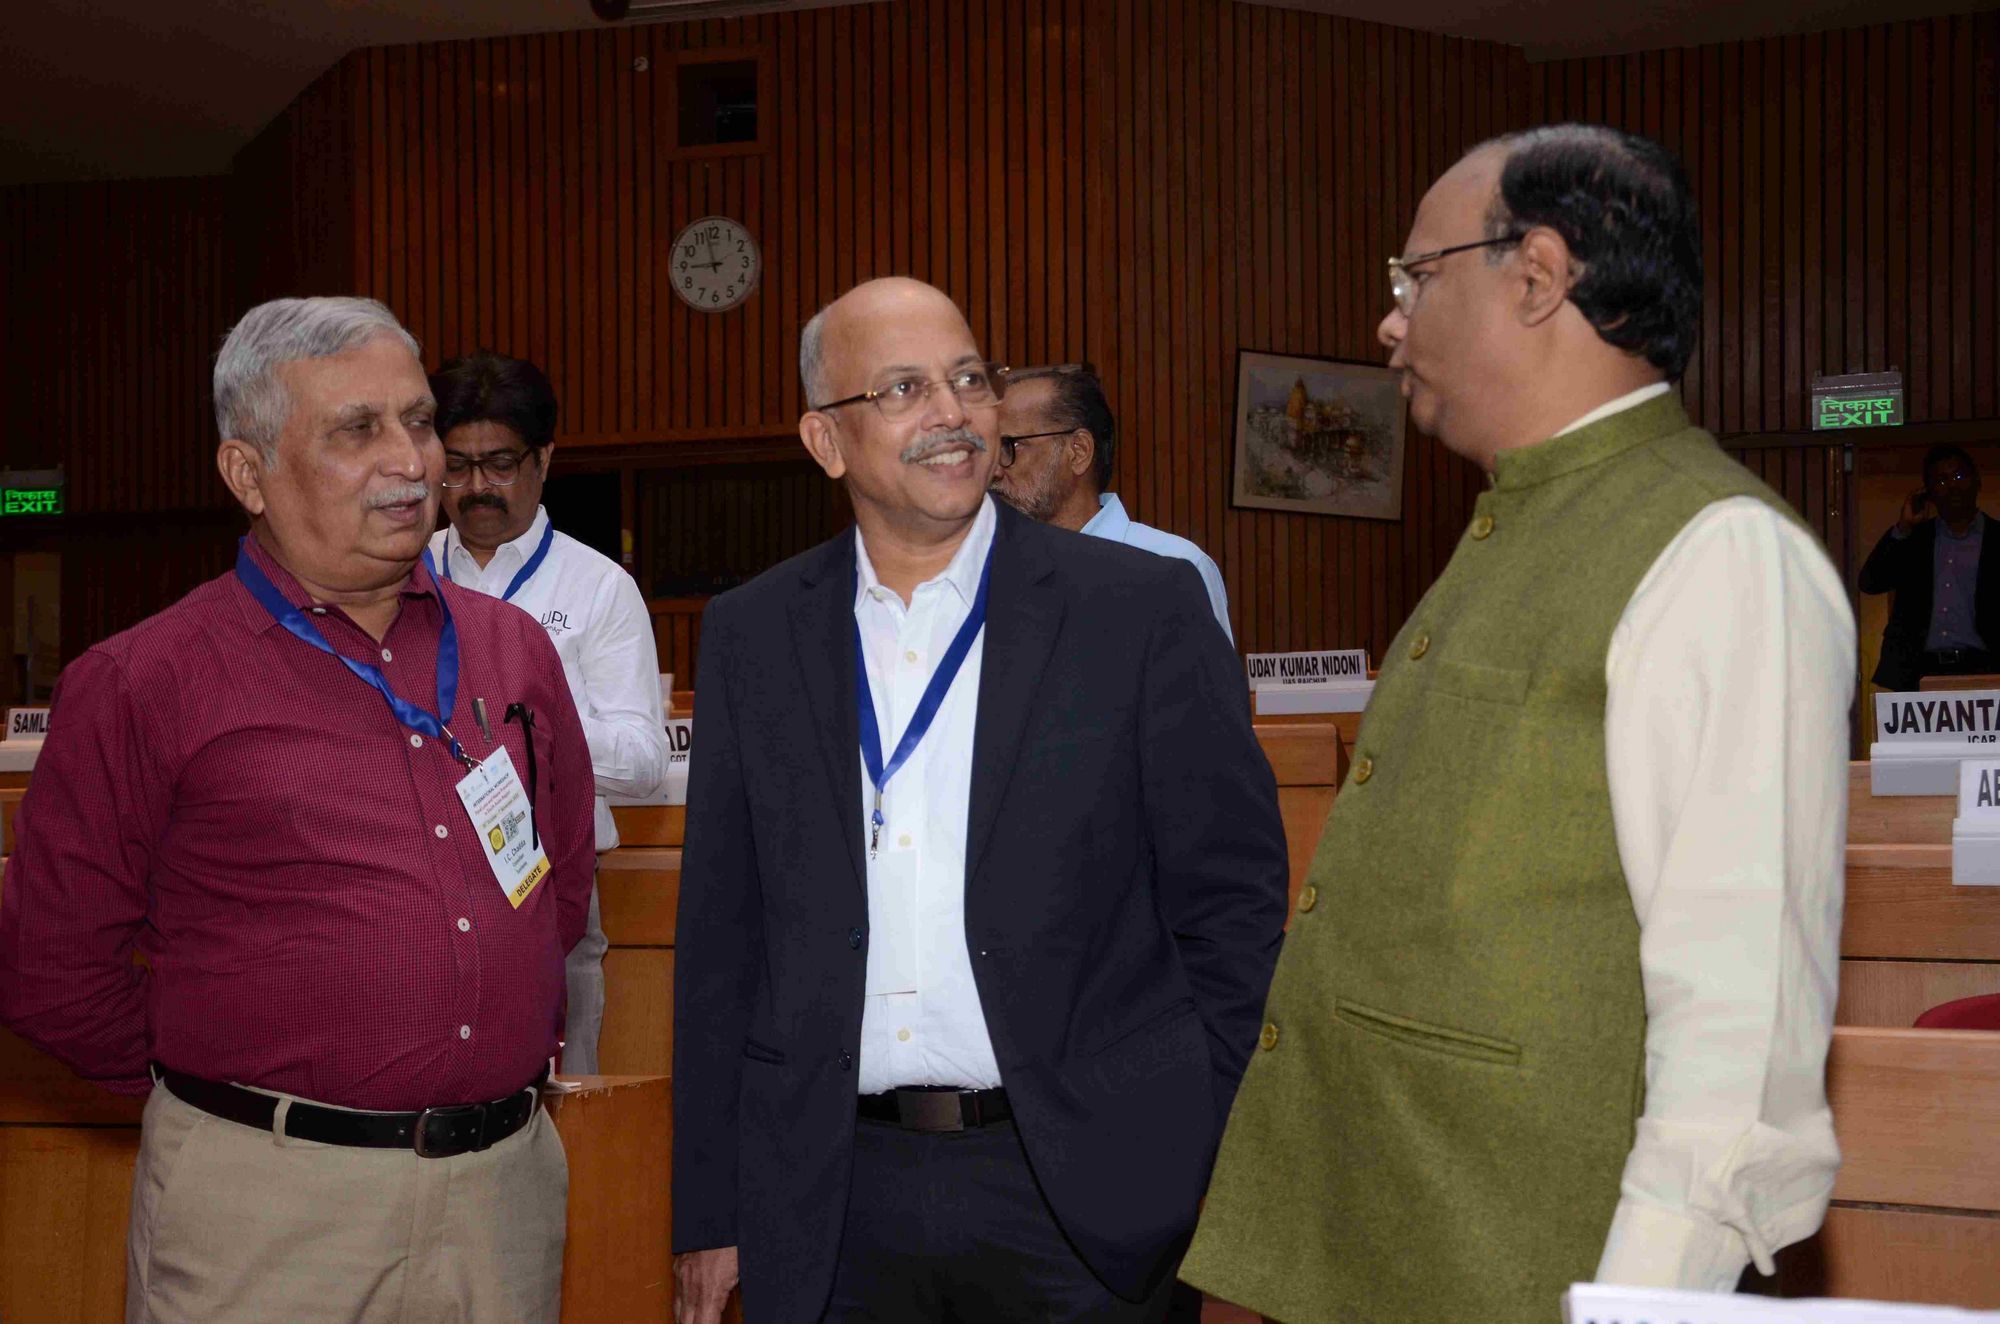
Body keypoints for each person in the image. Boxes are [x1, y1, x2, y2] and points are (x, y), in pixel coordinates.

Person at [1182, 125, 1854, 1323]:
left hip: (1523, 1264)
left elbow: (1738, 1049)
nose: (1388, 322)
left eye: (1414, 277)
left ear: (1535, 274)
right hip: (1388, 1241)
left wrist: (1638, 1307)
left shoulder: (1721, 551)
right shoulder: (1519, 519)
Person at [670, 277, 1289, 1324]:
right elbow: (723, 940)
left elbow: (1232, 908)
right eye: (904, 388)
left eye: (968, 379)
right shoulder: (753, 635)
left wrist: (1198, 1148)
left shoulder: (1135, 610)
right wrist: (710, 1204)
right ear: (825, 440)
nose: (950, 413)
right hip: (831, 1199)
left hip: (1088, 1197)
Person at [0, 297, 596, 1323]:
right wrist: (221, 1093)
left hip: (504, 1195)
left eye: (417, 422)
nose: (411, 462)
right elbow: (52, 968)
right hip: (266, 1212)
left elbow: (559, 879)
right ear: (248, 473)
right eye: (356, 431)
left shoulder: (511, 651)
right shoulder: (146, 681)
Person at [429, 349, 671, 1074]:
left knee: (559, 1124)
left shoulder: (598, 588)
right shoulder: (401, 576)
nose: (477, 487)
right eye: (457, 465)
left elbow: (643, 765)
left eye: (499, 464)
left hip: (549, 895)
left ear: (544, 460)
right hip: (417, 890)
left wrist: (527, 723)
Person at [992, 362, 1232, 639]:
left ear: (1078, 452)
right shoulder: (994, 569)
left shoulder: (1175, 565)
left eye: (1009, 446)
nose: (994, 469)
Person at [1858, 444, 2000, 691]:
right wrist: (1902, 528)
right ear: (1929, 492)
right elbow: (1870, 582)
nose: (1952, 485)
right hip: (1916, 671)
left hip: (1988, 669)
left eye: (1959, 476)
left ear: (1977, 481)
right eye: (1941, 480)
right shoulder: (1913, 539)